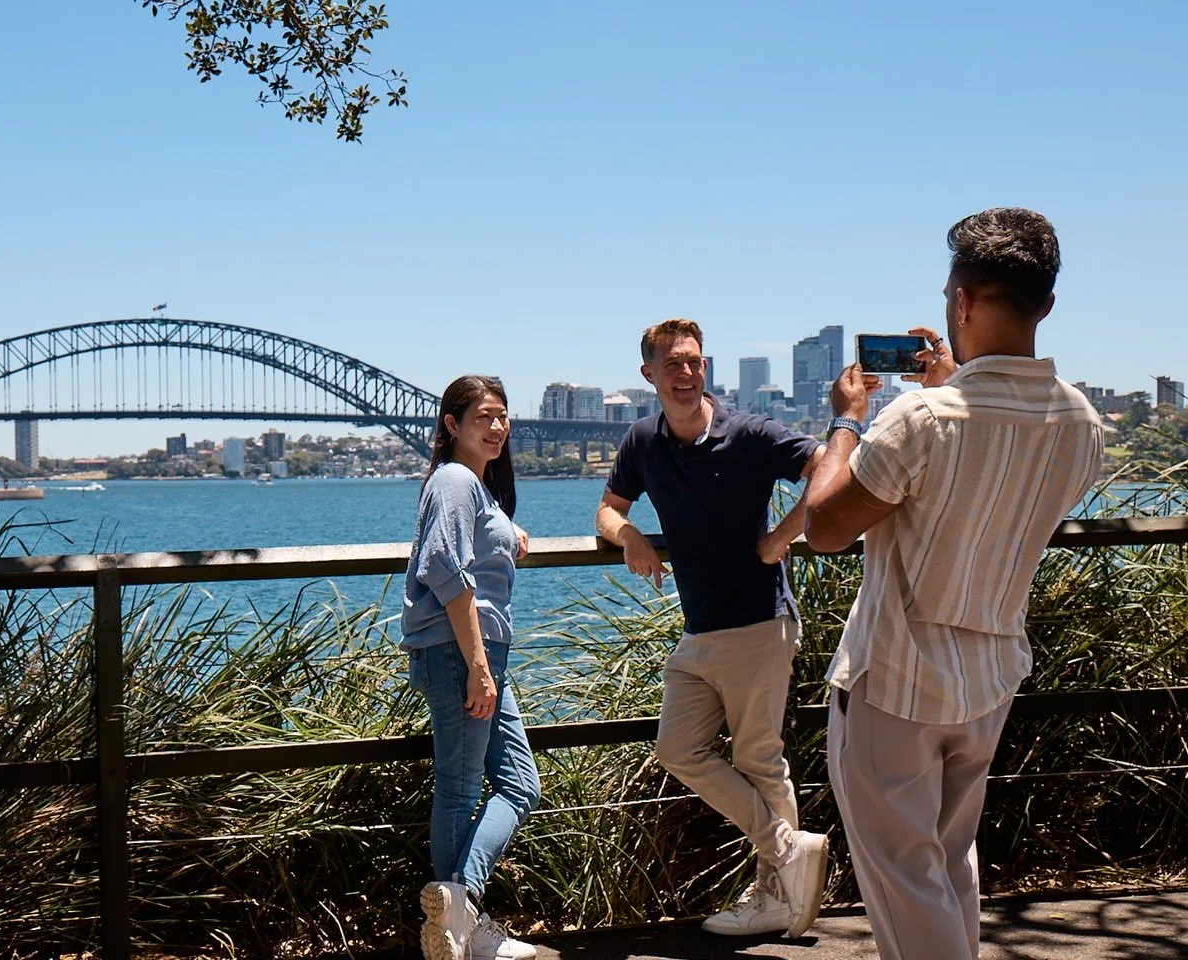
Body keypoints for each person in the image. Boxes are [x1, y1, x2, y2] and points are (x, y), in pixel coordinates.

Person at [803, 208, 1103, 960]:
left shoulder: (921, 419)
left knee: (907, 879)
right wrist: (958, 382)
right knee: (947, 858)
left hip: (895, 679)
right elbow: (987, 489)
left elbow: (826, 527)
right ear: (1046, 303)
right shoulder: (1081, 422)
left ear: (961, 302)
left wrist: (847, 424)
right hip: (989, 675)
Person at [595, 318, 831, 939]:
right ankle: (787, 851)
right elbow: (606, 509)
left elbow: (829, 466)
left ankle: (776, 895)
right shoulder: (644, 440)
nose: (686, 372)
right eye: (672, 363)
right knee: (677, 748)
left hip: (758, 622)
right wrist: (630, 536)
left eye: (694, 361)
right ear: (649, 374)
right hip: (700, 629)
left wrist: (783, 537)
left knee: (759, 758)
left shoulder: (749, 433)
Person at [402, 375, 540, 960]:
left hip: (477, 651)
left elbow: (471, 551)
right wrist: (479, 666)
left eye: (503, 416)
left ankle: (460, 913)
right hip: (463, 651)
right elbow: (443, 567)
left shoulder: (473, 489)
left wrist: (509, 535)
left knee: (519, 784)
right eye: (483, 416)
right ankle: (462, 919)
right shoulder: (456, 479)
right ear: (451, 426)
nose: (497, 426)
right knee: (460, 790)